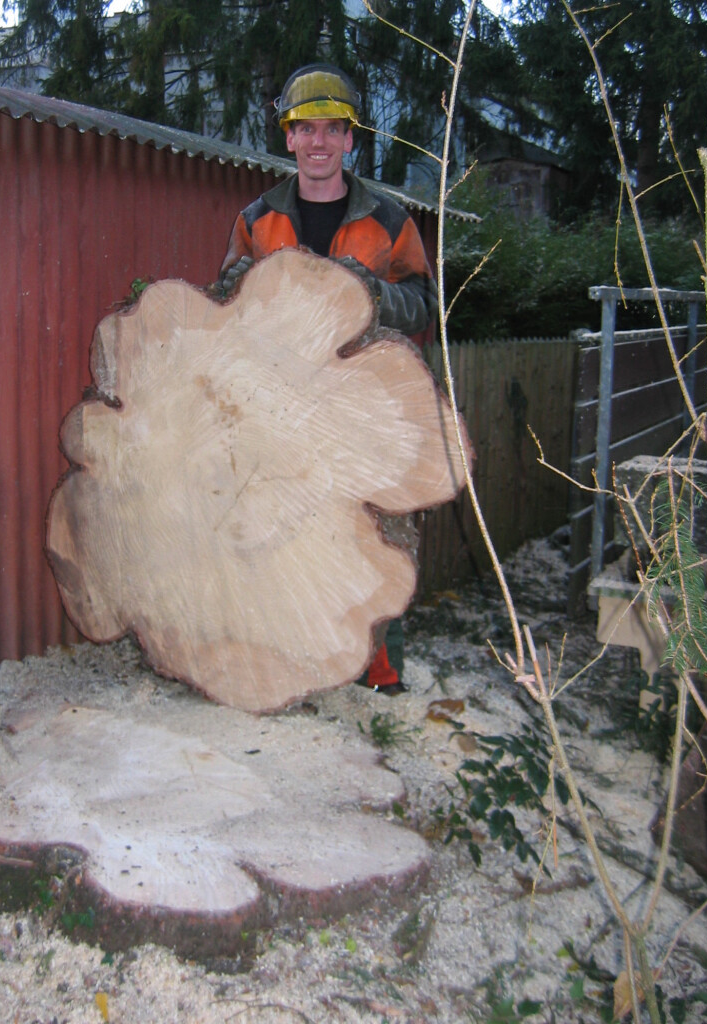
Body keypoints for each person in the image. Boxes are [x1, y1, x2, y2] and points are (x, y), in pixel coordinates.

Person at [219, 63, 436, 697]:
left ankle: (379, 677)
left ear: (350, 140)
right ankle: (289, 664)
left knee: (377, 540)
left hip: (364, 411)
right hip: (279, 410)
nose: (318, 142)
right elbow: (222, 305)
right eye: (305, 129)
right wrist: (242, 285)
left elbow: (422, 303)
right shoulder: (257, 220)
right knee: (276, 537)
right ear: (288, 138)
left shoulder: (388, 221)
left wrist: (368, 293)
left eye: (331, 130)